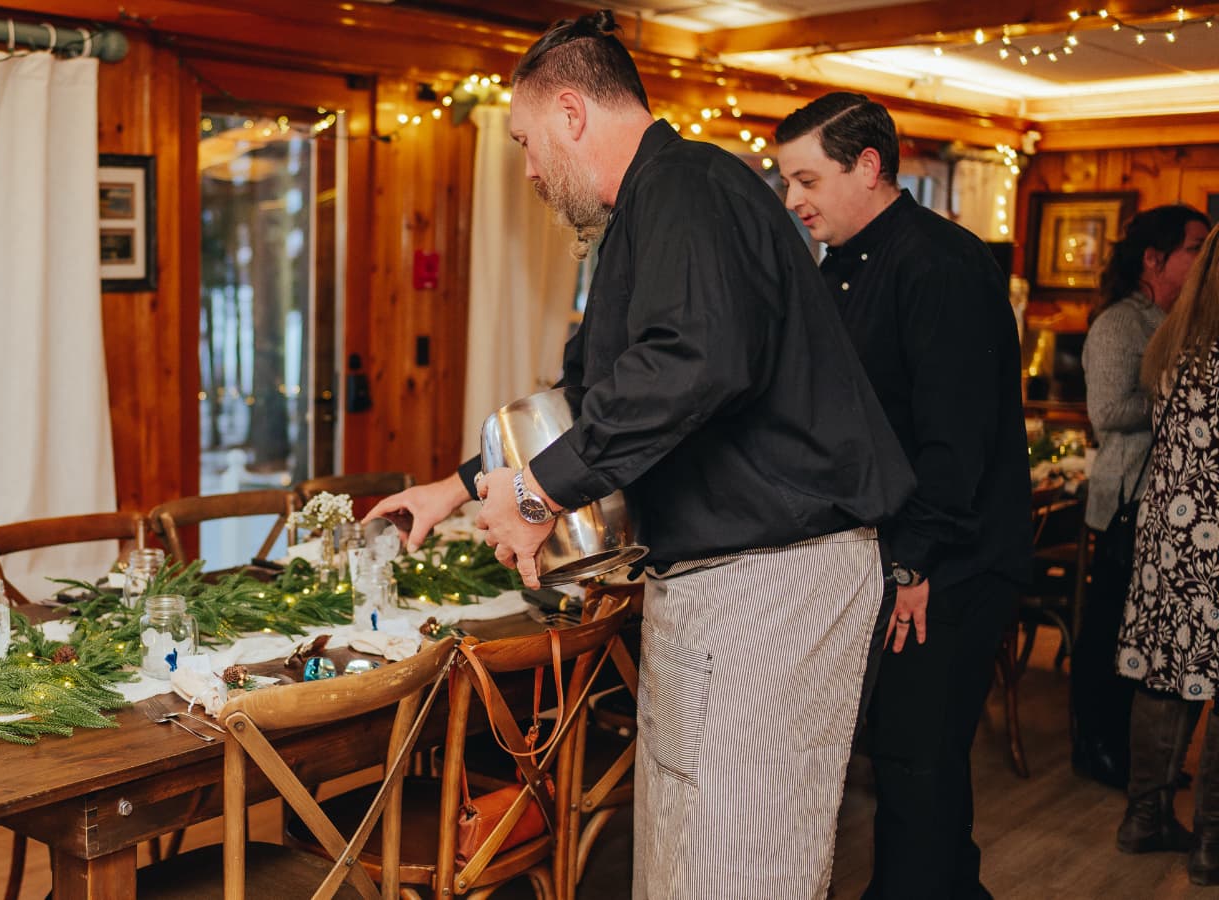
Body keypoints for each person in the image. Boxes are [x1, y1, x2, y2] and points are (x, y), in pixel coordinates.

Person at [366, 14, 914, 898]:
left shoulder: (690, 187)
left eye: (528, 142)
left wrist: (538, 494)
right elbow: (586, 392)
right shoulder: (645, 213)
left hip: (774, 576)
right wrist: (458, 485)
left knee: (740, 863)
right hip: (726, 579)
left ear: (573, 112)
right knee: (685, 852)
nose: (532, 170)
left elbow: (694, 361)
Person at [775, 92, 1032, 900]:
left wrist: (914, 566)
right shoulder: (844, 264)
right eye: (786, 181)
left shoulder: (940, 265)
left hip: (950, 564)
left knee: (916, 765)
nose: (793, 201)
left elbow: (954, 443)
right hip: (902, 555)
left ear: (870, 167)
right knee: (910, 765)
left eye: (806, 178)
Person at [1078, 206, 1212, 788]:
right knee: (1112, 632)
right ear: (1154, 259)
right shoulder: (1119, 324)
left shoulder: (1182, 319)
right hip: (1126, 503)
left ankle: (1142, 763)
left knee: (1146, 636)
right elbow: (1107, 413)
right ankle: (1098, 746)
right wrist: (1179, 406)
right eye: (1193, 246)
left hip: (1166, 507)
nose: (1202, 257)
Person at [1115, 227, 1219, 883]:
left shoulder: (1172, 344)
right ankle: (1211, 843)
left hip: (1168, 534)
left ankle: (1143, 819)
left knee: (1165, 675)